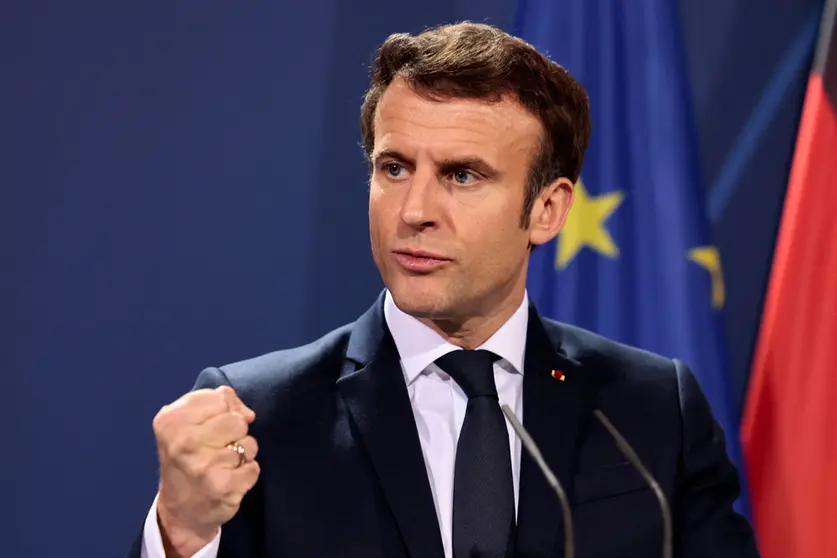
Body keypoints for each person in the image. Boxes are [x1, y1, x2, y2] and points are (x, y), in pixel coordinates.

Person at [131, 22, 760, 558]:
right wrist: (182, 532)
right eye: (394, 168)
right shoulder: (257, 416)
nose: (415, 210)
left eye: (462, 175)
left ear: (547, 209)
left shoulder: (650, 413)